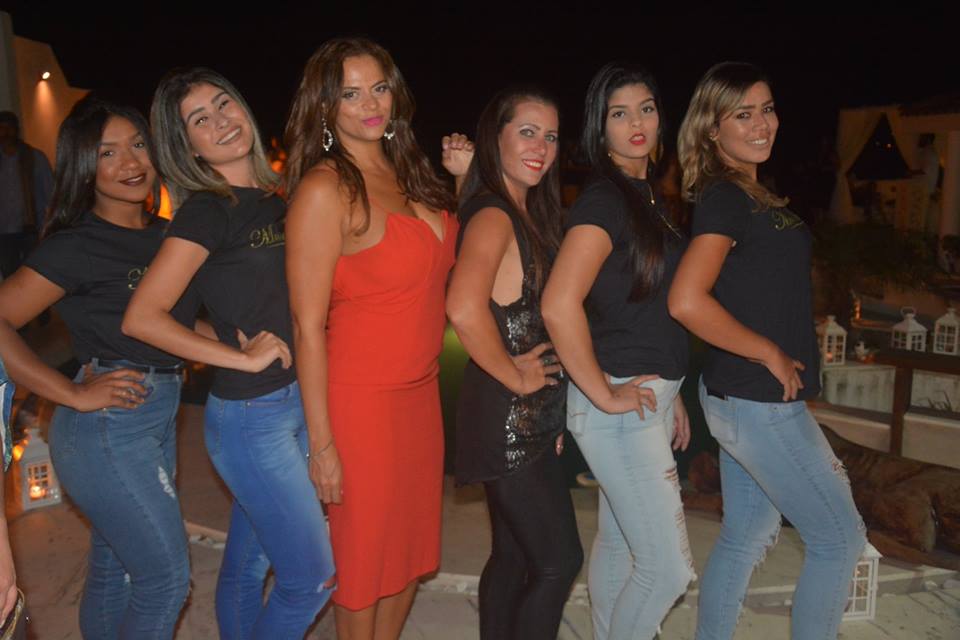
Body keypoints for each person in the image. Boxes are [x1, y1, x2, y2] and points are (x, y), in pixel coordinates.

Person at [122, 68, 335, 639]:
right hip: (252, 418)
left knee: (249, 562)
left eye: (224, 104)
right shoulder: (207, 210)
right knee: (312, 581)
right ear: (186, 144)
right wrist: (234, 355)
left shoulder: (279, 195)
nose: (220, 122)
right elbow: (143, 315)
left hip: (296, 401)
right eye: (200, 119)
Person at [668, 61, 866, 640]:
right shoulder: (726, 198)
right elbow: (686, 300)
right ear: (712, 129)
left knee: (746, 534)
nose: (762, 124)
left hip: (743, 397)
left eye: (768, 109)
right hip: (759, 400)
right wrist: (768, 352)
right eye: (743, 114)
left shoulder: (749, 195)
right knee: (839, 539)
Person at [0, 95, 199, 639]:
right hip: (107, 425)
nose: (130, 162)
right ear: (84, 165)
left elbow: (172, 324)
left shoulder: (168, 234)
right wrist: (69, 392)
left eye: (138, 144)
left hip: (155, 416)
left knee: (115, 569)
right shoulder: (76, 245)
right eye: (108, 152)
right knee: (167, 581)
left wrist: (240, 345)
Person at [282, 37, 457, 640]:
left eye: (378, 88)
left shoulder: (412, 172)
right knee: (362, 561)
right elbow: (307, 326)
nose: (370, 104)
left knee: (408, 552)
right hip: (361, 407)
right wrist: (322, 446)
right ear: (324, 107)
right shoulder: (324, 188)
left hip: (421, 397)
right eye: (350, 94)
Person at [541, 62, 694, 640]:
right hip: (617, 409)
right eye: (619, 113)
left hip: (645, 397)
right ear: (599, 128)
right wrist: (604, 393)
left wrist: (672, 390)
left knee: (623, 546)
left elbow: (638, 309)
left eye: (646, 109)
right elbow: (559, 304)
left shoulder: (646, 197)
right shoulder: (605, 200)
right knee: (667, 570)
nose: (637, 123)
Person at [446, 88, 583, 640]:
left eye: (550, 136)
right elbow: (463, 306)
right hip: (507, 414)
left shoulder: (522, 212)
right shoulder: (495, 215)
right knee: (558, 562)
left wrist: (548, 405)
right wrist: (518, 378)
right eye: (527, 132)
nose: (541, 147)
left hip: (523, 414)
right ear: (495, 136)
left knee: (512, 556)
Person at [0, 111, 53, 279]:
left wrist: (50, 227)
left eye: (9, 128)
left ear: (17, 129)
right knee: (10, 276)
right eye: (1, 128)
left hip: (31, 229)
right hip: (3, 232)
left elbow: (50, 193)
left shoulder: (35, 157)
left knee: (35, 274)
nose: (5, 133)